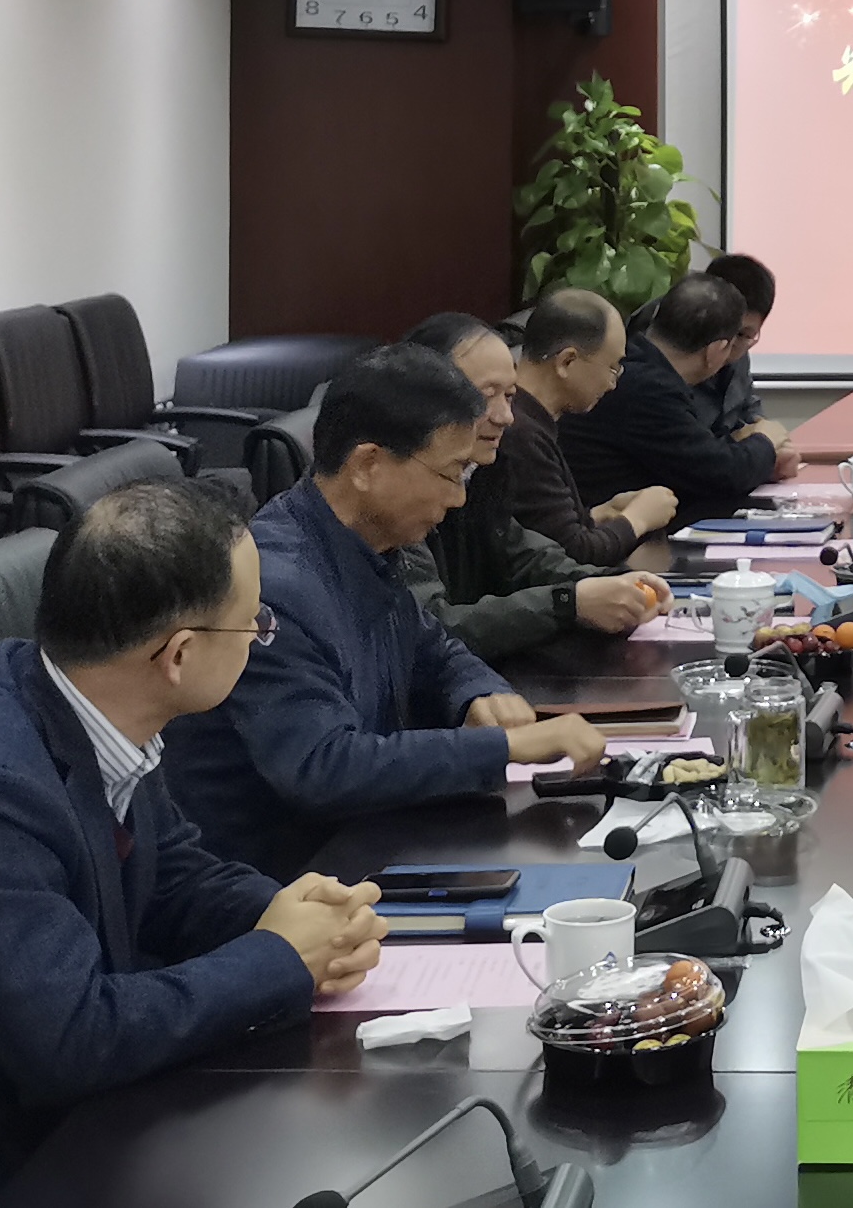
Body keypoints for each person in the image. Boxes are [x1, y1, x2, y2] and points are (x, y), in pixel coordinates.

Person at [0, 479, 388, 1208]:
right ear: (179, 654)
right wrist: (279, 957)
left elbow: (170, 874)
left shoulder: (88, 702)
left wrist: (291, 914)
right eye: (254, 624)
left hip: (90, 1119)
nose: (262, 636)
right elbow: (72, 1039)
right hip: (2, 1166)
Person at [163, 345, 608, 875]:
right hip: (280, 879)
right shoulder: (272, 586)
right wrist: (503, 747)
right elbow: (324, 767)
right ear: (368, 465)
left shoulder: (366, 543)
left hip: (367, 840)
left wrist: (477, 691)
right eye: (452, 473)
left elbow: (433, 646)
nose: (459, 498)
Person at [399, 312, 668, 662]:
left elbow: (525, 556)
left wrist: (614, 583)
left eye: (509, 396)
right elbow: (429, 630)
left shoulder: (480, 473)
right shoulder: (392, 497)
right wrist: (568, 603)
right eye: (485, 396)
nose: (505, 417)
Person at [562, 272, 803, 524]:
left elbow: (693, 459)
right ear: (716, 351)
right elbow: (719, 474)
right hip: (607, 534)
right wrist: (766, 441)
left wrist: (748, 450)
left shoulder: (641, 367)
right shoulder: (648, 387)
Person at [504, 286, 680, 565]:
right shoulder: (519, 433)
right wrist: (637, 519)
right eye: (612, 367)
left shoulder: (530, 420)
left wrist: (598, 515)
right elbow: (572, 554)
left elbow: (545, 532)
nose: (613, 384)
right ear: (567, 361)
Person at [695, 253, 787, 446]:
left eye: (745, 335)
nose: (730, 344)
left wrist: (771, 441)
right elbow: (690, 451)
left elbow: (748, 408)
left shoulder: (739, 351)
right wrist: (755, 444)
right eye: (730, 331)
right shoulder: (676, 362)